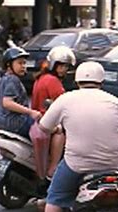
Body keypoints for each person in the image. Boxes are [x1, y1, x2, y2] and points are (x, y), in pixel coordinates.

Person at [31, 61, 118, 212]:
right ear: (101, 80)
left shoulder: (65, 99)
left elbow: (43, 128)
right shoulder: (114, 101)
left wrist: (59, 128)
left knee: (55, 196)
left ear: (77, 79)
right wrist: (112, 152)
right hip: (113, 163)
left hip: (76, 164)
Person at [31, 46, 75, 180]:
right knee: (61, 132)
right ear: (53, 65)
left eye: (66, 67)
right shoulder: (53, 81)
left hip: (39, 118)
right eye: (61, 66)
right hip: (46, 120)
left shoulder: (41, 77)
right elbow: (64, 103)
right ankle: (53, 168)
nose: (64, 70)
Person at [0, 47, 41, 139]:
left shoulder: (3, 80)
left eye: (24, 63)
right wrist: (31, 112)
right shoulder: (13, 79)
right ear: (9, 65)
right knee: (50, 128)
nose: (23, 66)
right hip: (19, 124)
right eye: (19, 63)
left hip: (4, 126)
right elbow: (7, 103)